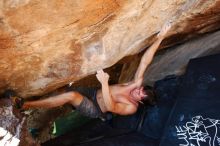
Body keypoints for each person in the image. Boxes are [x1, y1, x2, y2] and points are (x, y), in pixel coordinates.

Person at [15, 23, 171, 119]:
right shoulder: (135, 85)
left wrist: (104, 82)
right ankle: (41, 99)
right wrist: (160, 38)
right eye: (141, 89)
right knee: (63, 89)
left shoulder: (131, 108)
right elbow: (145, 62)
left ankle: (25, 106)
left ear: (140, 102)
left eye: (139, 95)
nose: (136, 91)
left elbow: (111, 107)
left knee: (71, 95)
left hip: (95, 108)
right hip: (92, 92)